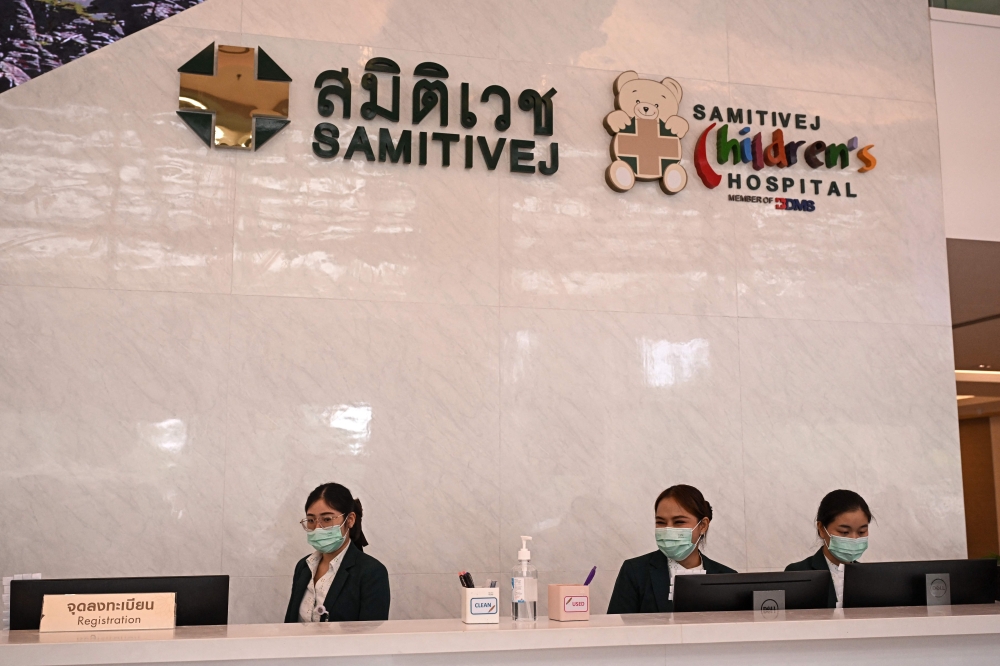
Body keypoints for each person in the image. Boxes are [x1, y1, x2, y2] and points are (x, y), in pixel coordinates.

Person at [608, 484, 737, 614]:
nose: (668, 529)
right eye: (661, 522)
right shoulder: (635, 572)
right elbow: (615, 625)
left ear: (702, 525)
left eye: (679, 522)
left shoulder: (728, 578)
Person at [284, 483, 390, 622]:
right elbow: (290, 624)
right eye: (311, 520)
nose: (317, 528)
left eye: (327, 519)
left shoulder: (371, 572)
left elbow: (372, 632)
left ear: (350, 520)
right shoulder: (304, 566)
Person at [785, 489, 872, 608]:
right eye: (844, 532)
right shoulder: (798, 573)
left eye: (862, 531)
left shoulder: (868, 577)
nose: (854, 539)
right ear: (821, 528)